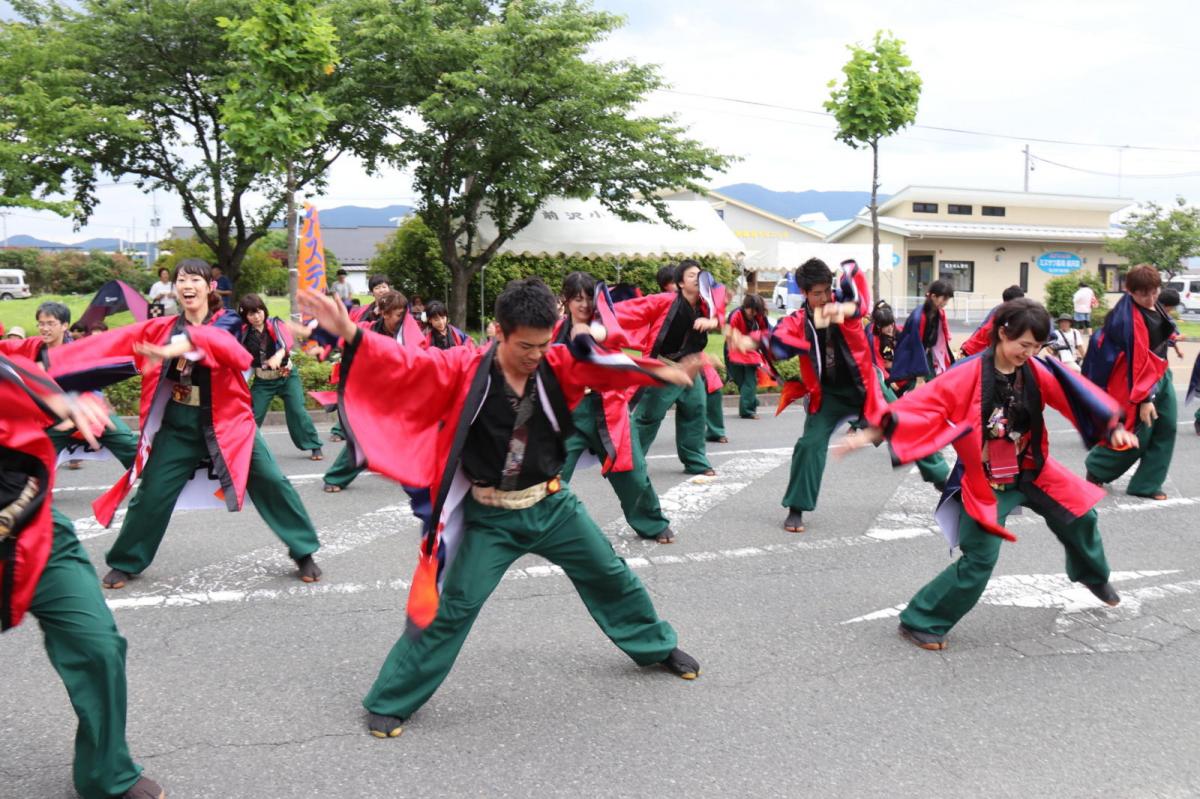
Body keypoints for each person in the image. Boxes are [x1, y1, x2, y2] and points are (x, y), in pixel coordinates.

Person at [298, 278, 701, 740]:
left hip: (553, 505)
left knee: (610, 573)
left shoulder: (558, 362)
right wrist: (351, 334)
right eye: (526, 346)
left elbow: (606, 367)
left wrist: (660, 372)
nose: (536, 355)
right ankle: (392, 698)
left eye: (544, 344)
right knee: (454, 606)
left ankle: (655, 646)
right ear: (497, 332)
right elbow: (407, 360)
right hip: (491, 516)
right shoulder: (463, 367)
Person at [839, 298, 1135, 651]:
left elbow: (1077, 396)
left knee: (1082, 515)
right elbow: (920, 406)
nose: (1029, 352)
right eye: (1023, 345)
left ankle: (1092, 575)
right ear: (1001, 333)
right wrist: (870, 433)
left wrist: (1111, 427)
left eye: (1037, 346)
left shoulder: (1037, 371)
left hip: (1031, 467)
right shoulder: (966, 374)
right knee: (981, 558)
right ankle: (921, 619)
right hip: (986, 478)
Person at [45, 258, 324, 589]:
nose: (187, 285)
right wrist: (47, 362)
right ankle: (126, 560)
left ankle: (303, 551)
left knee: (271, 481)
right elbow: (111, 344)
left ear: (209, 287)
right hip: (179, 422)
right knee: (152, 492)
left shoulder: (230, 320)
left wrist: (175, 348)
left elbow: (220, 343)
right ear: (174, 288)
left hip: (230, 421)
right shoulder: (162, 328)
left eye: (195, 279)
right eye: (181, 280)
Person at [0, 352, 166, 799]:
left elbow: (30, 380)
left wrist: (69, 403)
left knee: (97, 647)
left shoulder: (13, 375)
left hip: (33, 530)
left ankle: (106, 775)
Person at [769, 258, 947, 535]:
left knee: (905, 425)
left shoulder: (845, 305)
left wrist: (838, 303)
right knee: (809, 444)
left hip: (867, 387)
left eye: (827, 290)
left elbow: (858, 304)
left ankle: (942, 479)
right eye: (817, 293)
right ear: (803, 293)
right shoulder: (797, 321)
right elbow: (780, 339)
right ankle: (796, 507)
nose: (825, 297)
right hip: (827, 395)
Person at [555, 271, 676, 543]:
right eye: (577, 299)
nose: (584, 305)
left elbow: (615, 334)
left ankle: (651, 522)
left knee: (632, 473)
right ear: (565, 299)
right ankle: (540, 526)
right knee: (551, 473)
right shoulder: (555, 330)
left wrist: (592, 332)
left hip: (608, 408)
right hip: (569, 413)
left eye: (589, 298)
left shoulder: (606, 322)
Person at [615, 260, 722, 476]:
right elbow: (629, 310)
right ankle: (630, 461)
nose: (697, 278)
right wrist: (595, 319)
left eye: (700, 275)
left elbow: (720, 313)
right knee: (648, 417)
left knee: (696, 412)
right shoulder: (665, 301)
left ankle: (695, 461)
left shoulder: (705, 305)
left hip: (690, 371)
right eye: (692, 275)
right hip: (665, 367)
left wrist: (711, 322)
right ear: (680, 283)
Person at [1082, 264, 1177, 500]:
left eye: (1154, 291)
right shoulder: (1126, 320)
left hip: (1159, 372)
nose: (1151, 298)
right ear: (1130, 291)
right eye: (1144, 293)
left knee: (1167, 427)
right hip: (1134, 379)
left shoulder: (1154, 305)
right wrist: (1145, 399)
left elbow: (1161, 333)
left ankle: (1146, 484)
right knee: (1140, 431)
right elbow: (1137, 362)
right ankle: (1097, 468)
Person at [323, 290, 424, 492]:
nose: (403, 319)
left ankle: (422, 474)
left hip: (402, 393)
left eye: (404, 314)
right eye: (398, 315)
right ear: (385, 314)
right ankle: (335, 477)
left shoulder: (408, 333)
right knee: (364, 438)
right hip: (374, 394)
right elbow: (343, 342)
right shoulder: (367, 331)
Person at [34, 301, 139, 472]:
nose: (45, 328)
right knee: (35, 461)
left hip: (89, 408)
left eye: (51, 323)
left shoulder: (81, 350)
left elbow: (95, 384)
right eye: (41, 323)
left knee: (130, 445)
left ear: (64, 325)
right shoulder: (34, 351)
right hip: (55, 418)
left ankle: (160, 482)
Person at [236, 293, 324, 461]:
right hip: (263, 381)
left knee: (297, 410)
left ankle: (314, 445)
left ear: (264, 310)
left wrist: (279, 354)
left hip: (287, 376)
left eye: (259, 311)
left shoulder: (275, 323)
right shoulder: (243, 334)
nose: (256, 316)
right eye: (251, 313)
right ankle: (245, 449)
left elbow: (285, 342)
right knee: (252, 414)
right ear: (245, 316)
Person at [890, 279, 955, 384]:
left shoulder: (937, 313)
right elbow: (916, 346)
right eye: (944, 299)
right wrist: (919, 378)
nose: (946, 303)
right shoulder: (919, 317)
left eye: (947, 299)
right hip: (913, 358)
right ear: (933, 297)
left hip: (925, 355)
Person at [725, 292, 770, 419]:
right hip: (734, 348)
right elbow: (728, 333)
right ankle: (752, 401)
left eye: (756, 311)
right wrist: (730, 351)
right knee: (740, 381)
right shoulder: (736, 315)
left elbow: (764, 333)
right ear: (745, 306)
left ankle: (748, 411)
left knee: (749, 382)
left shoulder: (759, 316)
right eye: (751, 310)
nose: (753, 314)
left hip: (751, 351)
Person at [959, 285, 1025, 358]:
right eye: (1020, 301)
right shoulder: (1001, 313)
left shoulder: (1004, 310)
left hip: (977, 348)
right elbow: (987, 330)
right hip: (975, 350)